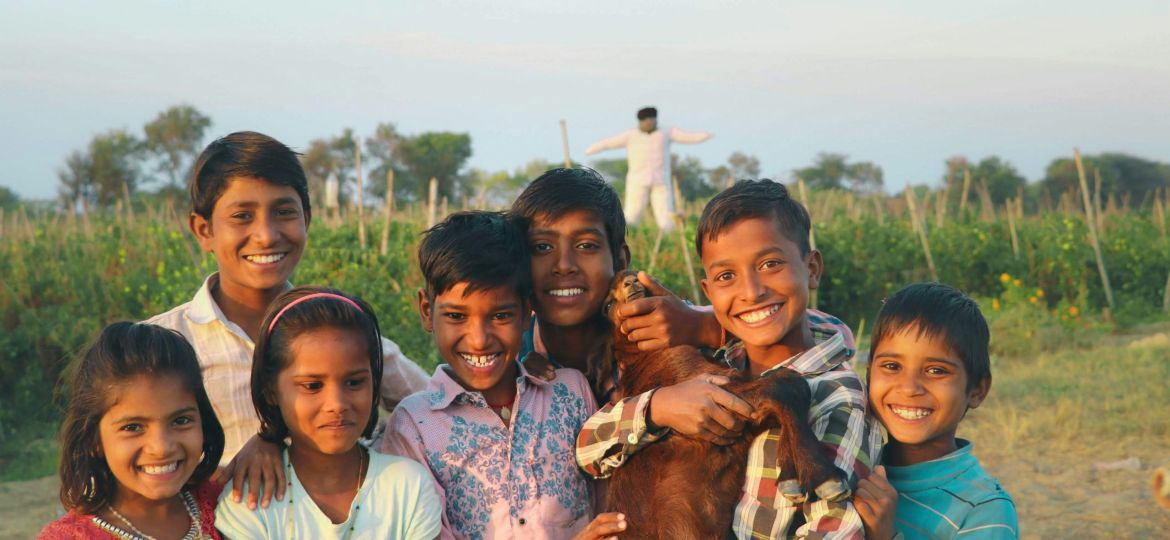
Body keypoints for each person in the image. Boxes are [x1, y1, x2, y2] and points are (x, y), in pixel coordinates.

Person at [576, 179, 883, 538]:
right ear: (708, 292)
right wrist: (659, 407)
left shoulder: (839, 396)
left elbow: (834, 530)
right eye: (726, 276)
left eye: (771, 264)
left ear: (812, 269)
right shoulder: (713, 364)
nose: (752, 292)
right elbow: (588, 452)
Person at [146, 131, 427, 509]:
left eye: (284, 211)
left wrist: (370, 453)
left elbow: (432, 408)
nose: (265, 235)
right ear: (204, 230)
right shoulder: (164, 343)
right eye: (242, 216)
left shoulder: (339, 331)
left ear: (306, 219)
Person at [378, 211, 625, 539]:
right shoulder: (414, 427)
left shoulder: (569, 392)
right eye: (455, 315)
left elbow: (608, 498)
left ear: (527, 312)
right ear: (427, 311)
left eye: (501, 315)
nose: (479, 339)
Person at [215, 286, 442, 539]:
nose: (337, 403)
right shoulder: (248, 502)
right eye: (312, 386)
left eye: (354, 382)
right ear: (271, 391)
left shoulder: (407, 487)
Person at [855, 283, 1018, 539]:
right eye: (891, 366)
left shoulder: (983, 510)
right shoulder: (852, 466)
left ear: (977, 389)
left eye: (936, 370)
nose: (909, 388)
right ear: (868, 374)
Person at [39, 322, 226, 539]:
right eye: (133, 427)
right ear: (93, 439)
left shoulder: (228, 504)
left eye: (181, 420)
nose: (161, 447)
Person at [584, 106, 712, 232]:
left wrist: (706, 135)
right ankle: (629, 236)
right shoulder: (631, 135)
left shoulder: (666, 132)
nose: (650, 123)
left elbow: (688, 137)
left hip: (661, 180)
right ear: (641, 122)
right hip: (637, 180)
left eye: (652, 119)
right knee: (632, 213)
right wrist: (589, 150)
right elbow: (608, 143)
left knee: (666, 214)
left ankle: (668, 237)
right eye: (647, 120)